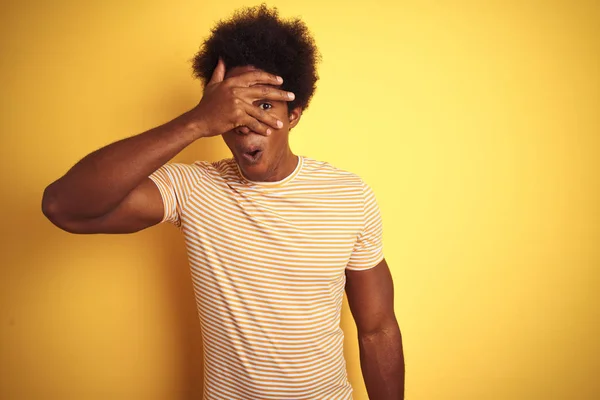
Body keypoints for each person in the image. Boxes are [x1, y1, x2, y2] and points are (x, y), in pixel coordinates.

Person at [42, 4, 404, 399]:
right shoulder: (193, 188)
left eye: (265, 105)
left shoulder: (348, 196)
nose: (247, 121)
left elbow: (377, 327)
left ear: (295, 113)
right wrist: (196, 121)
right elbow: (64, 206)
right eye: (234, 106)